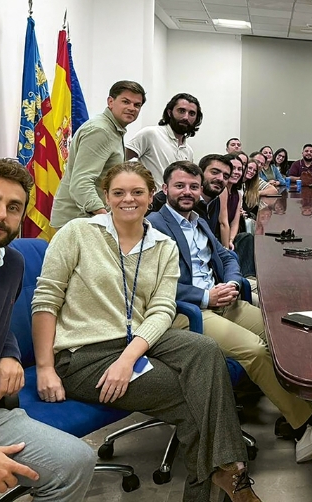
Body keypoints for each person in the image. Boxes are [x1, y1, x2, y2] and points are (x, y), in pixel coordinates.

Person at [31, 162, 261, 502]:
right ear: (105, 196)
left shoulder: (163, 246)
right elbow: (45, 300)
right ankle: (231, 477)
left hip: (137, 343)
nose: (128, 199)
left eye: (137, 192)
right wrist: (46, 367)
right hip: (84, 356)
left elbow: (162, 309)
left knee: (205, 348)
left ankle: (230, 473)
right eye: (119, 193)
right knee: (196, 404)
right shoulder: (77, 233)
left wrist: (128, 357)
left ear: (151, 195)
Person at [148, 161, 312, 464]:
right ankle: (306, 427)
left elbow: (225, 254)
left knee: (282, 332)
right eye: (180, 186)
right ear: (165, 188)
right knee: (255, 350)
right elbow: (154, 285)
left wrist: (233, 280)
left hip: (223, 300)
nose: (187, 192)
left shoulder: (197, 219)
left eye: (193, 187)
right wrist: (206, 295)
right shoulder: (155, 225)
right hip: (189, 311)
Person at [0, 157, 96, 502]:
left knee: (76, 462)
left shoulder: (10, 263)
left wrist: (8, 353)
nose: (1, 214)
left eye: (13, 207)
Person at [51, 80, 146, 229]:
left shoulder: (114, 129)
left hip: (88, 219)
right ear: (110, 102)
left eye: (137, 105)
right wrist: (105, 218)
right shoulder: (101, 131)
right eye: (126, 102)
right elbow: (81, 182)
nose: (131, 108)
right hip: (78, 221)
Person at [125, 92, 201, 184]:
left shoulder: (188, 151)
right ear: (169, 112)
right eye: (181, 111)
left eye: (192, 114)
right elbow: (119, 159)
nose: (186, 117)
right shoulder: (151, 134)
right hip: (149, 197)